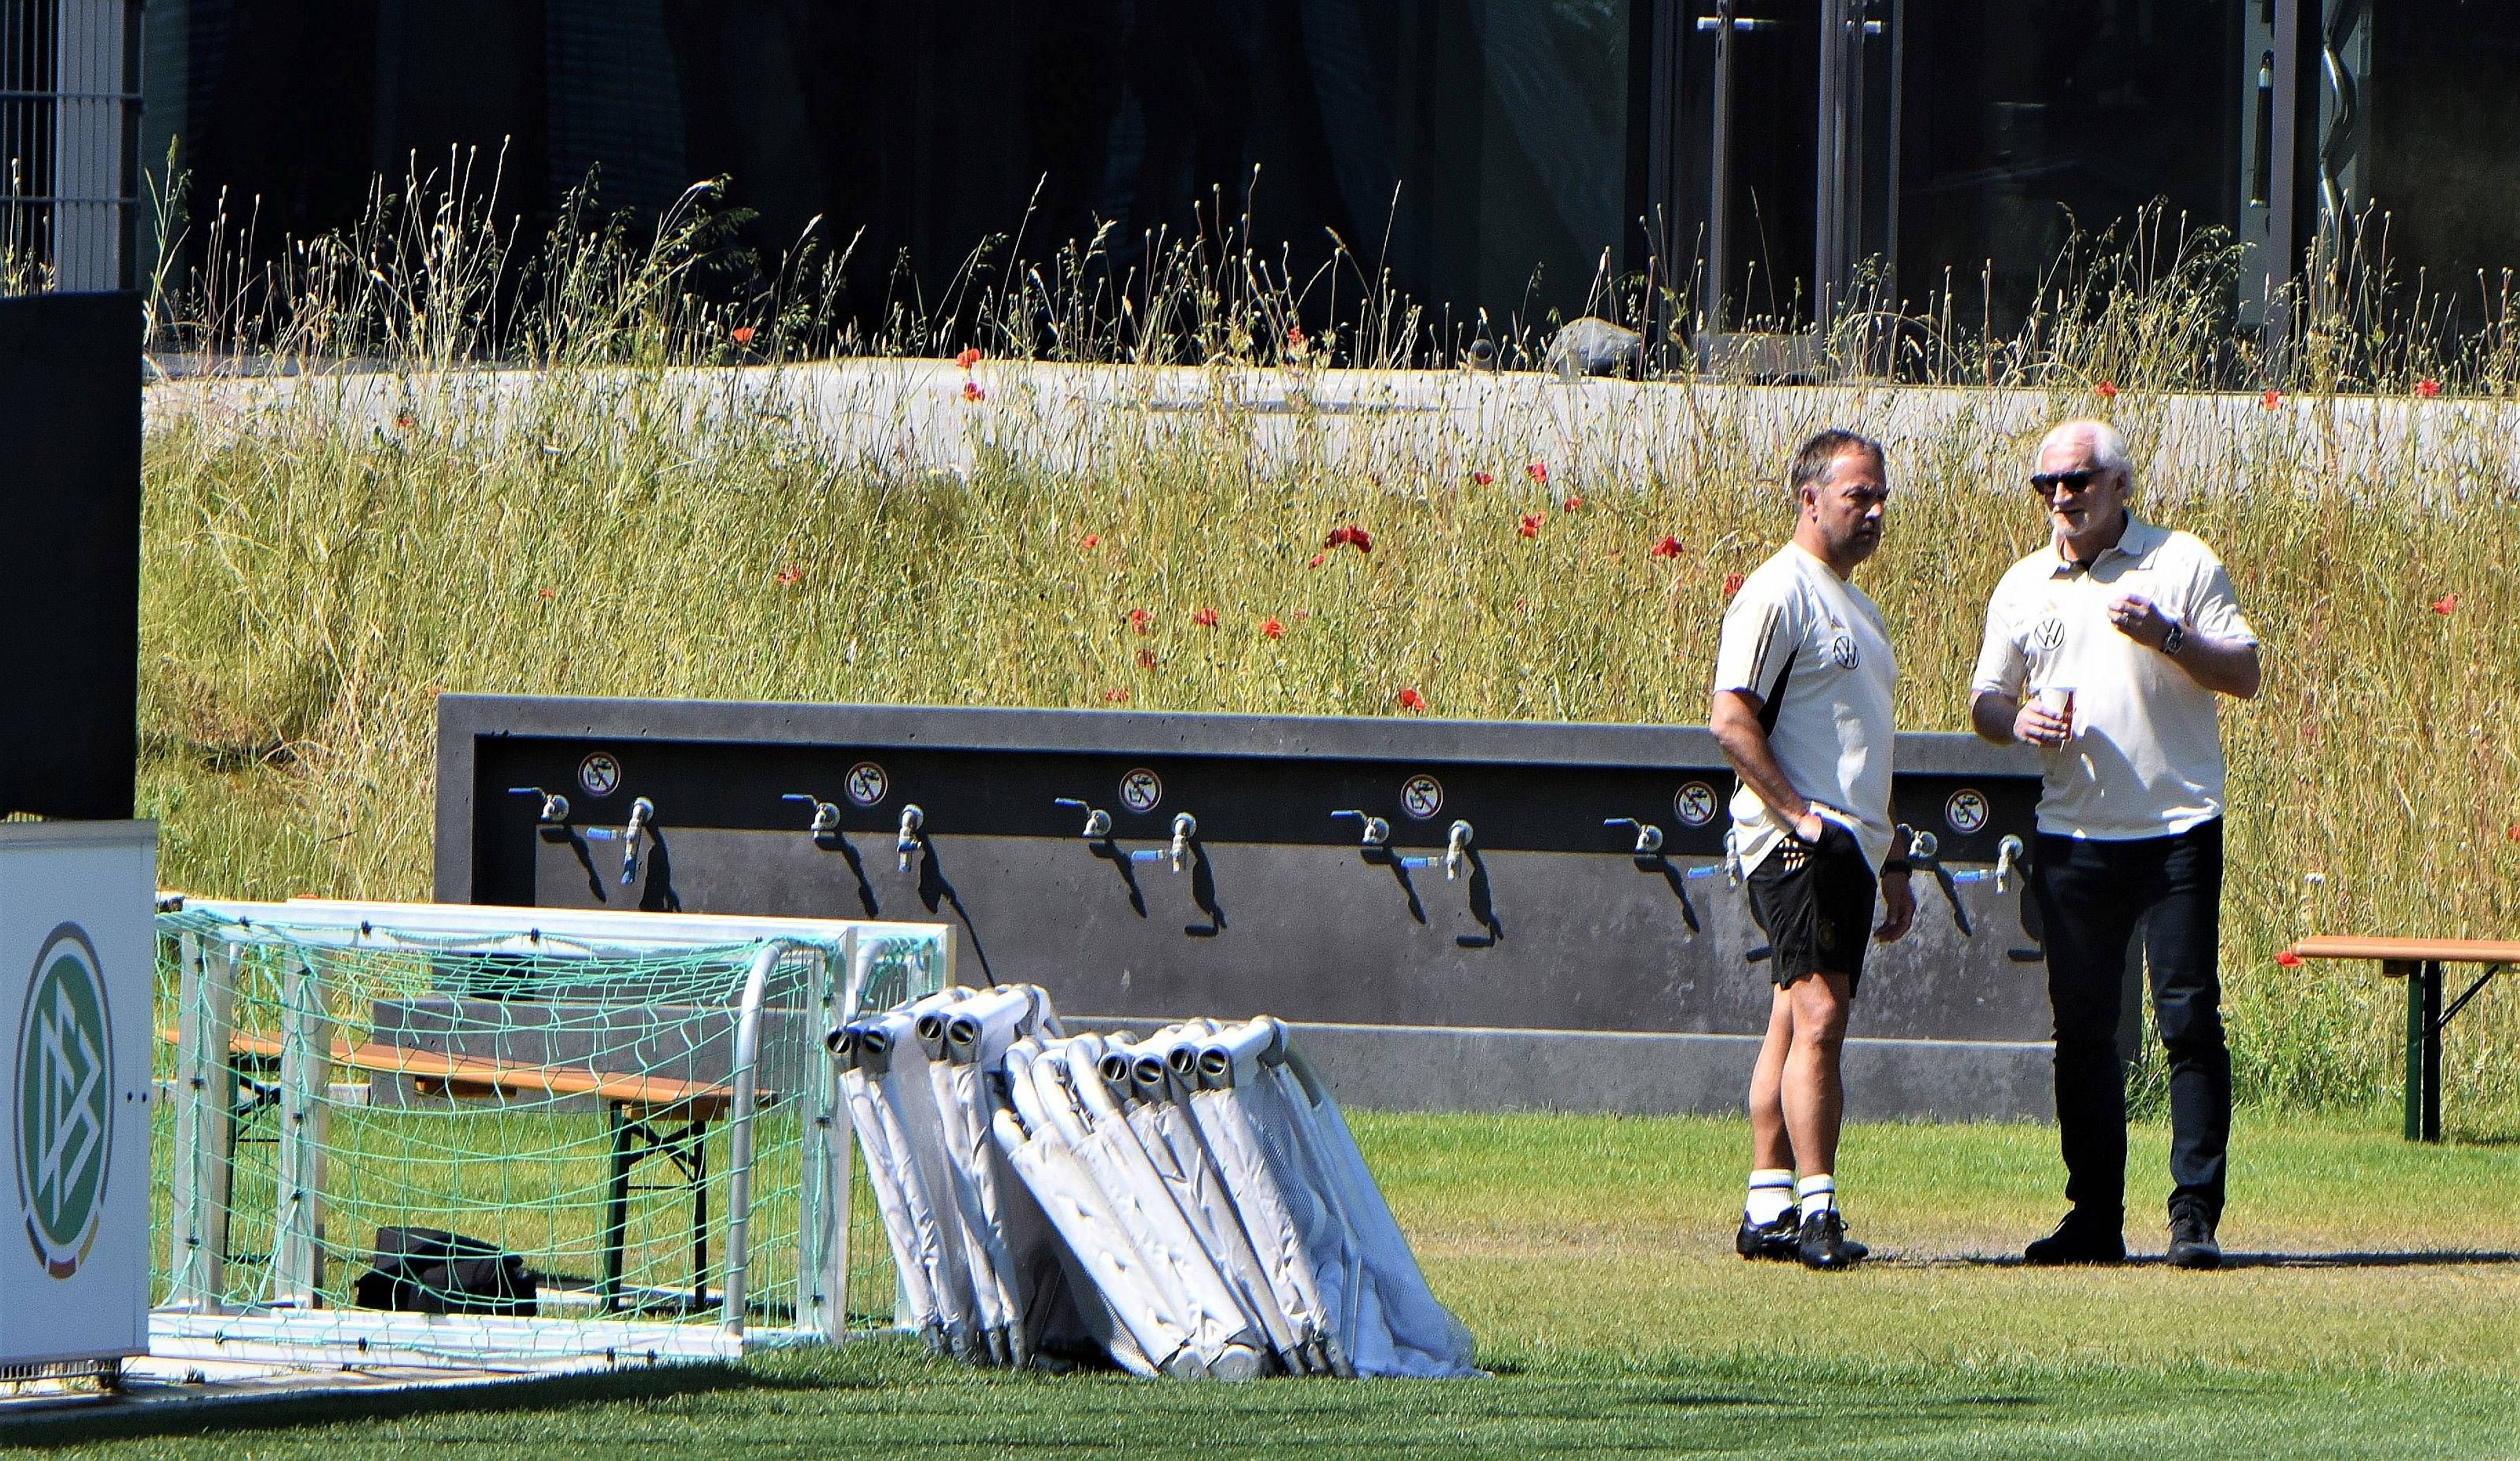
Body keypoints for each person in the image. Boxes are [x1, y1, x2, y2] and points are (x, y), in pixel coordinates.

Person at [1969, 418, 2262, 1270]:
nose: (2061, 496)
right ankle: (2093, 1216)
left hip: (2175, 828)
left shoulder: (2178, 562)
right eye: (2045, 484)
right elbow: (1985, 699)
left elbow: (2243, 674)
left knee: (2186, 1020)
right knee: (2083, 1032)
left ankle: (2192, 1216)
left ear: (2118, 486)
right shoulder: (2023, 585)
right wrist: (2015, 719)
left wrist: (2167, 635)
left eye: (2078, 479)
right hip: (2072, 835)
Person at [1710, 428, 1917, 1271]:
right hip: (1800, 840)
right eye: (1855, 495)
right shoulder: (1777, 591)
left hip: (1853, 847)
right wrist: (1796, 814)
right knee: (1821, 1017)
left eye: (1879, 498)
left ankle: (1765, 1204)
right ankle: (1816, 1209)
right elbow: (1730, 719)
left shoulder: (1854, 606)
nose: (1872, 512)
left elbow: (1864, 743)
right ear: (1809, 498)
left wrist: (1893, 855)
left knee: (1790, 1019)